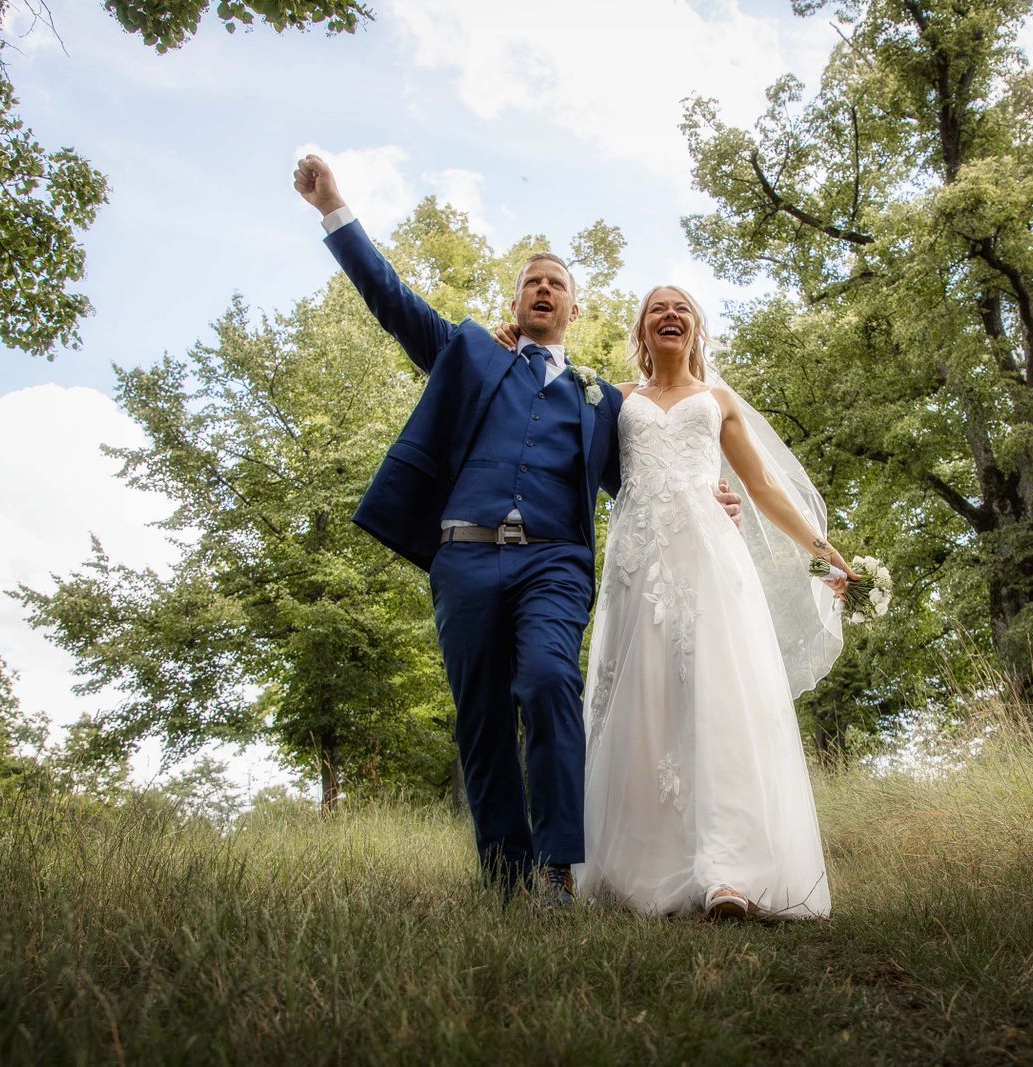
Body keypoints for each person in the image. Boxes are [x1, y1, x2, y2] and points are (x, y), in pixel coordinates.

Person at [292, 156, 740, 904]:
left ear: (573, 308)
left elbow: (644, 476)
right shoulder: (472, 352)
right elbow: (392, 300)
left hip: (555, 562)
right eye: (533, 281)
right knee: (483, 717)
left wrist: (707, 498)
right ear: (517, 300)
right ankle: (504, 875)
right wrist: (333, 207)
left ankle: (558, 866)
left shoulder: (602, 399)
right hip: (464, 557)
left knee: (548, 678)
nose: (543, 289)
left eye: (556, 283)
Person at [496, 286, 855, 920]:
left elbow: (763, 487)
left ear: (696, 328)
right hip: (636, 568)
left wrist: (825, 554)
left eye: (681, 308)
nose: (669, 315)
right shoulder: (613, 399)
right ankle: (639, 871)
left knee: (716, 698)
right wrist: (516, 351)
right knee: (643, 701)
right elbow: (551, 435)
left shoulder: (718, 400)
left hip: (708, 563)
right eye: (657, 309)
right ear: (642, 330)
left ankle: (728, 874)